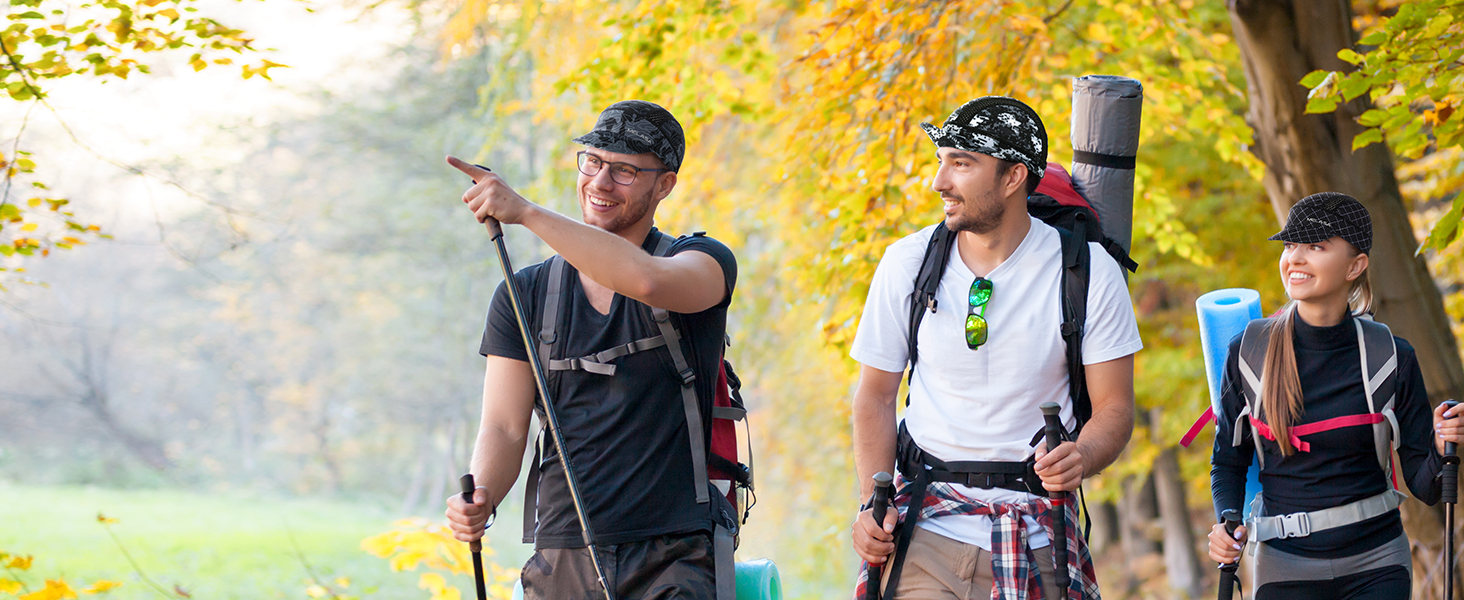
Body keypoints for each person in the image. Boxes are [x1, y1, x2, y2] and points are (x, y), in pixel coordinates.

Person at [442, 99, 739, 599]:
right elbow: (505, 425)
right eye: (593, 162)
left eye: (624, 171)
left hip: (677, 554)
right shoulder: (525, 294)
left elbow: (646, 280)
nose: (601, 183)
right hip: (563, 553)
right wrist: (483, 498)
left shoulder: (703, 262)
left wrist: (527, 213)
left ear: (664, 184)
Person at [848, 96, 1142, 600]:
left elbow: (1115, 407)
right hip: (925, 526)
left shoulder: (1088, 272)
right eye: (942, 161)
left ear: (1013, 178)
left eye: (961, 163)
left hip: (1039, 532)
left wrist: (1083, 454)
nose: (940, 181)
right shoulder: (908, 263)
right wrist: (868, 508)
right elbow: (874, 396)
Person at [1208, 192, 1463, 600]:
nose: (1295, 258)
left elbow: (1426, 487)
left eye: (1316, 246)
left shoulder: (1391, 357)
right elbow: (1228, 460)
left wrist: (1439, 441)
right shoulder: (1249, 353)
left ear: (1355, 265)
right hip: (1284, 564)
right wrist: (1227, 521)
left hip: (1377, 564)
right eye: (1290, 245)